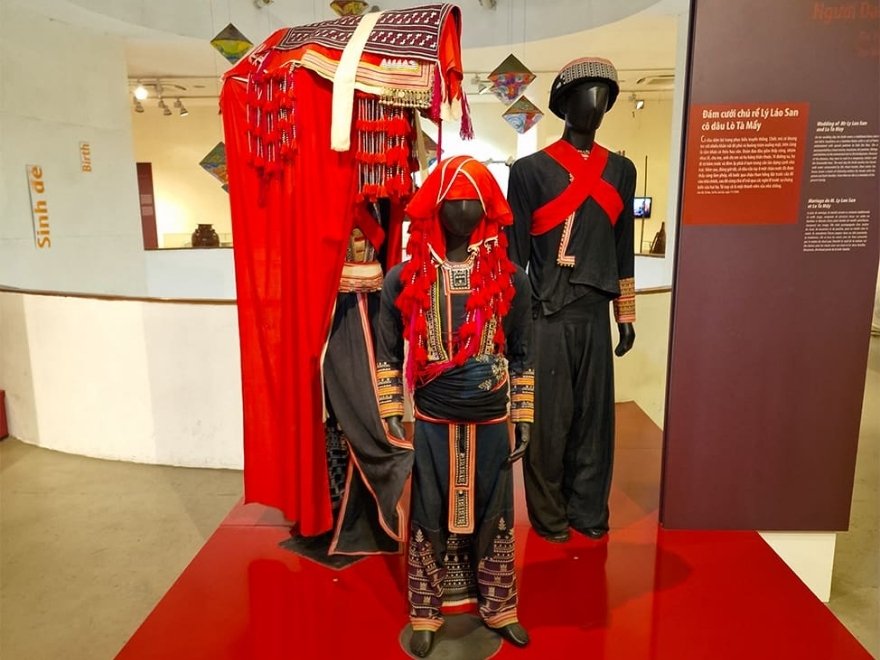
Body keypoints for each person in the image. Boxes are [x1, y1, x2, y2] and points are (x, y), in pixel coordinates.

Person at [375, 156, 533, 657]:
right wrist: (390, 412)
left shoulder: (512, 279)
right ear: (436, 208)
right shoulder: (403, 278)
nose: (462, 210)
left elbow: (523, 352)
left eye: (473, 201)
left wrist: (524, 416)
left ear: (486, 208)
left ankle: (500, 607)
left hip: (490, 419)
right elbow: (386, 352)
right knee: (427, 512)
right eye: (453, 201)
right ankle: (425, 611)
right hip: (432, 419)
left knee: (497, 511)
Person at [506, 57, 637, 543]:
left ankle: (588, 511)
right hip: (545, 316)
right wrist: (509, 326)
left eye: (605, 95)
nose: (596, 104)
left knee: (594, 423)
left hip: (594, 317)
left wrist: (625, 315)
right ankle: (550, 516)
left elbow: (622, 248)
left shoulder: (622, 171)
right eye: (587, 93)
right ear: (564, 103)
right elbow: (514, 256)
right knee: (547, 422)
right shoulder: (529, 171)